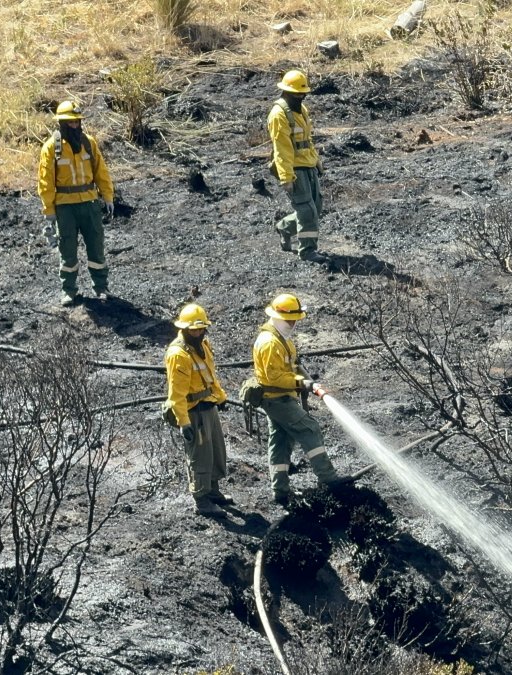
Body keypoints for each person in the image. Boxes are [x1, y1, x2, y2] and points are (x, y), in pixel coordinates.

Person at [253, 293, 345, 507]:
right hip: (277, 399)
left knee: (280, 441)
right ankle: (328, 478)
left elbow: (294, 365)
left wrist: (310, 381)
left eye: (295, 319)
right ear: (277, 317)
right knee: (309, 429)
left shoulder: (281, 338)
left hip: (280, 398)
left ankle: (281, 490)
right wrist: (303, 384)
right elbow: (274, 377)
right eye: (290, 319)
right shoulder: (269, 343)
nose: (293, 323)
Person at [37, 100, 116, 306]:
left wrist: (107, 197)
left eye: (77, 122)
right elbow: (45, 182)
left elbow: (101, 172)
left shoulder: (88, 143)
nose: (74, 126)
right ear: (61, 123)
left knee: (96, 247)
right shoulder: (51, 148)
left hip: (90, 204)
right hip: (65, 208)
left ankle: (101, 287)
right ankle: (69, 291)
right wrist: (49, 211)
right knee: (67, 250)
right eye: (70, 122)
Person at [165, 303, 233, 517]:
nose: (197, 332)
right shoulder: (179, 354)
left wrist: (220, 397)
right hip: (194, 411)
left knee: (215, 451)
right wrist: (183, 423)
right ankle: (201, 499)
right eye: (193, 329)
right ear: (184, 329)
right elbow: (176, 394)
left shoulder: (203, 344)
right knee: (200, 456)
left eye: (200, 328)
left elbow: (210, 376)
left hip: (209, 406)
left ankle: (213, 491)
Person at [268, 70, 329, 264]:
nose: (301, 97)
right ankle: (308, 251)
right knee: (307, 212)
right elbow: (282, 149)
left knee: (315, 209)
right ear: (286, 92)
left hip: (308, 165)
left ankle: (284, 227)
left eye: (304, 94)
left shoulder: (302, 110)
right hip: (294, 169)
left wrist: (316, 161)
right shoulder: (279, 115)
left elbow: (307, 140)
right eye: (297, 94)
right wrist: (286, 177)